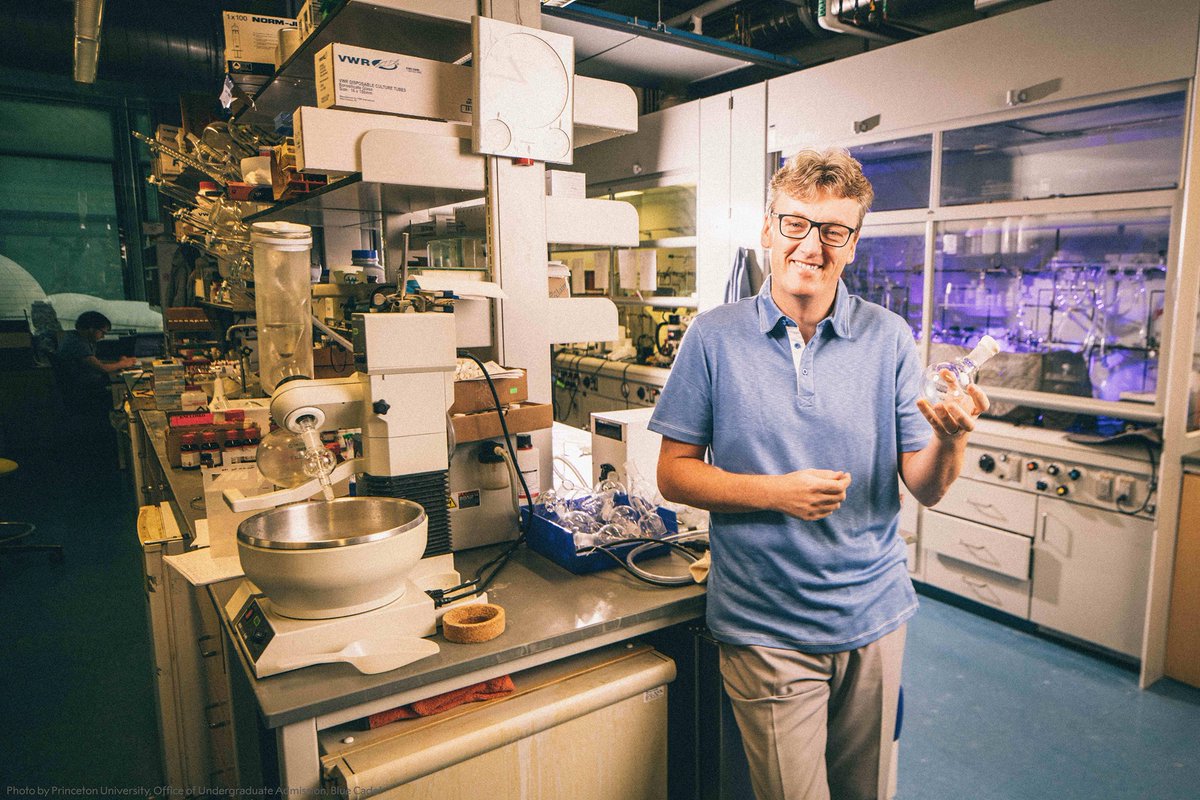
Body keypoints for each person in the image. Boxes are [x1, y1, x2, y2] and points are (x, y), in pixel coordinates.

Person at [650, 148, 990, 800]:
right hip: (767, 626)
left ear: (854, 243)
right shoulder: (713, 337)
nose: (812, 245)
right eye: (796, 224)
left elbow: (925, 484)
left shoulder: (889, 338)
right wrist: (776, 493)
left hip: (876, 619)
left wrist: (949, 443)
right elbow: (675, 475)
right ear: (768, 231)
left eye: (834, 230)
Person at [56, 310, 137, 416]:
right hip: (84, 391)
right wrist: (124, 364)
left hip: (81, 388)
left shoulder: (75, 337)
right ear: (91, 328)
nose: (102, 336)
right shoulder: (77, 343)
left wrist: (118, 362)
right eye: (102, 332)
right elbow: (103, 368)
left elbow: (94, 362)